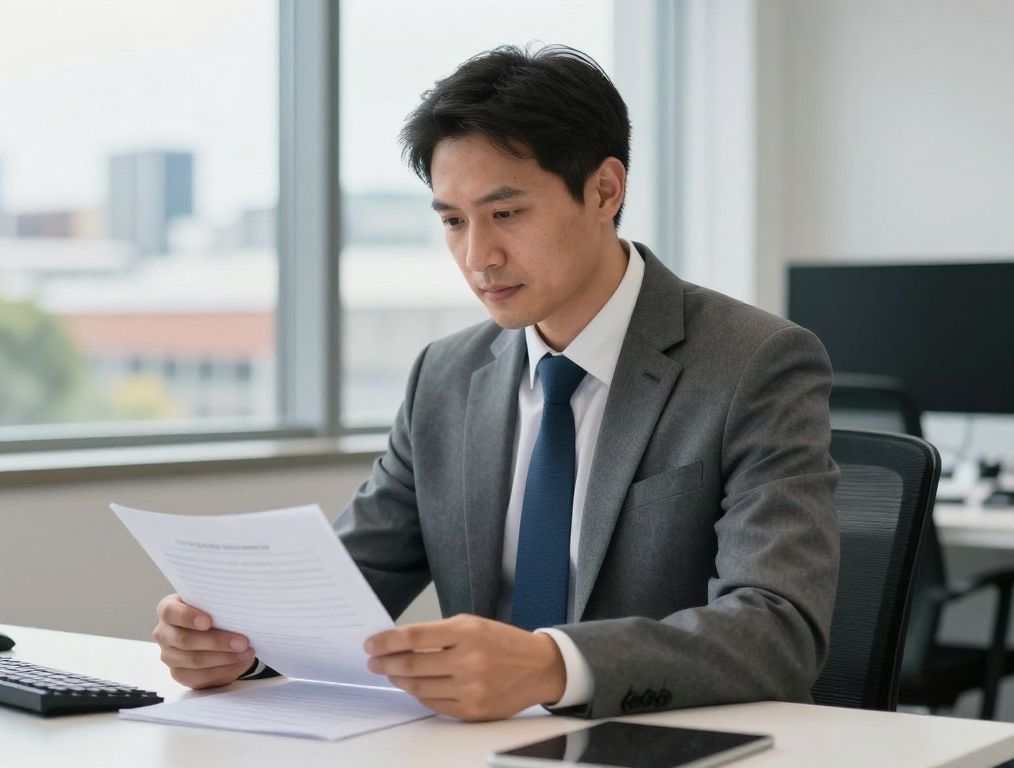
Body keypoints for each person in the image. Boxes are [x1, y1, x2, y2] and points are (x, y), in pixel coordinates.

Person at [151, 44, 839, 722]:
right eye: (453, 221)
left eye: (506, 214)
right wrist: (237, 642)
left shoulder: (756, 362)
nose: (478, 257)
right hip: (483, 749)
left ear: (604, 190)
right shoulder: (445, 377)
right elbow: (342, 593)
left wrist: (551, 666)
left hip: (673, 744)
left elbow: (778, 628)